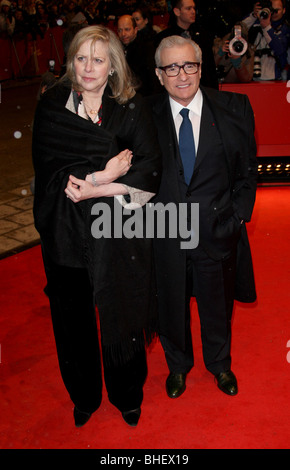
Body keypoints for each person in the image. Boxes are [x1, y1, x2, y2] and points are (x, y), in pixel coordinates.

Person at [32, 25, 161, 428]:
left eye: (98, 59)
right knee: (73, 320)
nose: (89, 68)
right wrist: (102, 175)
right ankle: (84, 393)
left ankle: (127, 393)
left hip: (117, 232)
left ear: (113, 66)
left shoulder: (130, 107)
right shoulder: (52, 105)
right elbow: (52, 172)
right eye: (81, 58)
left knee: (122, 312)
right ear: (70, 60)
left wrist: (97, 187)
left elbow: (150, 175)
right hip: (65, 232)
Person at [149, 35, 257, 399]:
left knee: (217, 304)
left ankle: (220, 364)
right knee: (170, 306)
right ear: (159, 75)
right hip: (164, 233)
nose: (182, 75)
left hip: (217, 230)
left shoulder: (234, 107)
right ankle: (178, 366)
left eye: (189, 65)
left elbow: (248, 171)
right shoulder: (141, 115)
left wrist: (238, 216)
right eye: (171, 67)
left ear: (200, 67)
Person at [154, 0, 219, 89]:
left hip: (203, 89)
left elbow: (210, 68)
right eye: (188, 9)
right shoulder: (163, 38)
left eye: (194, 8)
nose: (193, 12)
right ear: (177, 11)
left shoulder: (203, 36)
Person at [243, 0, 290, 80]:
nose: (274, 13)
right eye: (272, 10)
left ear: (284, 10)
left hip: (274, 77)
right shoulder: (257, 23)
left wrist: (267, 28)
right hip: (252, 75)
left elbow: (280, 50)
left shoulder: (285, 29)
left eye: (277, 10)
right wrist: (253, 16)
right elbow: (238, 30)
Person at [117, 14, 160, 95]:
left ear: (135, 30)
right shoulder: (118, 48)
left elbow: (153, 81)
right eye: (119, 30)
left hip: (144, 97)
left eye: (127, 29)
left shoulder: (147, 48)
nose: (123, 34)